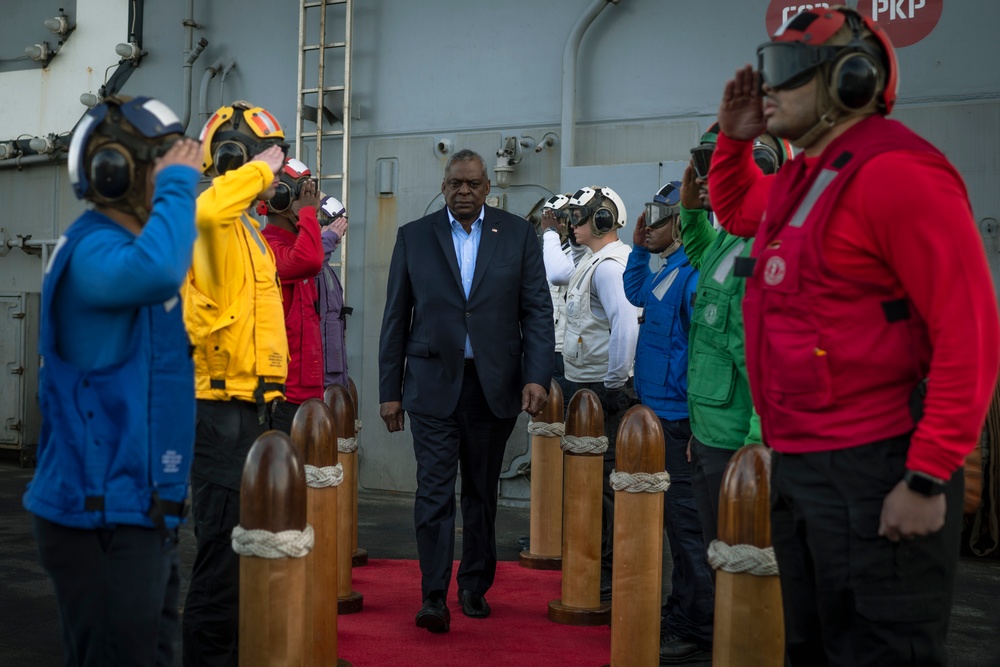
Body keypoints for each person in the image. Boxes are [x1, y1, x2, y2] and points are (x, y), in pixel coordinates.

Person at [710, 6, 1000, 665]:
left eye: (787, 72)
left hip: (879, 468)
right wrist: (732, 139)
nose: (768, 89)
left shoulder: (899, 173)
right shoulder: (805, 179)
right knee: (813, 649)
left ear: (852, 79)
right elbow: (733, 210)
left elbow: (971, 331)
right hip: (805, 467)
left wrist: (928, 474)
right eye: (766, 69)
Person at [24, 96, 202, 666]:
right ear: (115, 172)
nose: (185, 180)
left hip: (141, 508)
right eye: (167, 166)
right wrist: (178, 186)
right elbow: (157, 270)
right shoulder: (94, 250)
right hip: (98, 516)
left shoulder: (125, 250)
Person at [378, 149, 553, 633]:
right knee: (433, 493)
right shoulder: (414, 237)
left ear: (487, 188)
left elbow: (537, 310)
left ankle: (474, 584)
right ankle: (433, 594)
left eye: (473, 184)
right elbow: (396, 317)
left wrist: (536, 375)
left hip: (493, 387)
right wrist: (388, 390)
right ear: (444, 184)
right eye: (455, 183)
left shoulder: (517, 235)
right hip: (432, 387)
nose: (463, 192)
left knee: (480, 493)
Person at [181, 100, 289, 666]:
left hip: (253, 407)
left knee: (246, 552)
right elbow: (203, 214)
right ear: (232, 158)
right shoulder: (207, 215)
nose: (275, 173)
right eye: (267, 160)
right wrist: (259, 169)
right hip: (216, 409)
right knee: (221, 561)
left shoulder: (247, 230)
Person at [679, 126, 792, 548]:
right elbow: (700, 256)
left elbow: (771, 365)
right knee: (720, 561)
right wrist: (690, 212)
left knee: (741, 570)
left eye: (719, 168)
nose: (706, 180)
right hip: (712, 435)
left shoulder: (768, 249)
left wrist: (755, 451)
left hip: (741, 449)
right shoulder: (732, 236)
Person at [623, 182, 711, 664]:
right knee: (677, 528)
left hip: (680, 418)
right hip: (657, 411)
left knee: (687, 527)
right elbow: (635, 292)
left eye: (660, 220)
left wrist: (699, 423)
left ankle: (700, 627)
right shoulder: (668, 270)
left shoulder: (695, 274)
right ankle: (683, 609)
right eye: (647, 219)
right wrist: (638, 247)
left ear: (684, 224)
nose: (650, 226)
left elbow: (703, 354)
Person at [561, 185, 640, 599]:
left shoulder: (609, 266)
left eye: (580, 217)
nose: (573, 224)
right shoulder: (593, 262)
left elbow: (624, 326)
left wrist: (614, 385)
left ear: (603, 221)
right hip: (587, 384)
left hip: (601, 387)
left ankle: (608, 573)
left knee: (606, 486)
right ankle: (598, 563)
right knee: (593, 483)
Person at [259, 157, 325, 433]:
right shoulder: (267, 246)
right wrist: (309, 215)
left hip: (305, 392)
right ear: (284, 198)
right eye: (303, 194)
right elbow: (308, 261)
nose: (312, 201)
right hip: (281, 396)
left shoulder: (296, 243)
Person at [538, 192, 590, 411]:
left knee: (566, 413)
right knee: (544, 413)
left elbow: (559, 274)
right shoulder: (549, 251)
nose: (554, 224)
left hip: (566, 351)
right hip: (546, 347)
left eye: (557, 218)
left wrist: (551, 234)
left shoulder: (581, 253)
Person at [316, 195, 351, 389]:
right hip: (318, 380)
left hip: (333, 378)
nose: (338, 239)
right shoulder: (313, 263)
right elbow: (309, 265)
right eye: (336, 230)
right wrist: (326, 239)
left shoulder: (327, 269)